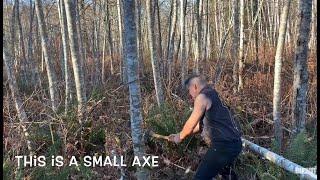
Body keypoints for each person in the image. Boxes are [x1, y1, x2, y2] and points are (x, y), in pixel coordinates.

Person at [168, 75, 242, 180]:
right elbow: (200, 126)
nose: (190, 95)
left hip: (223, 146)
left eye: (189, 90)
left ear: (194, 86)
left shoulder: (202, 97)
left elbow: (191, 123)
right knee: (226, 174)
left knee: (200, 177)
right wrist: (179, 134)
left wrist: (180, 137)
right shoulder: (213, 94)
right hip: (235, 145)